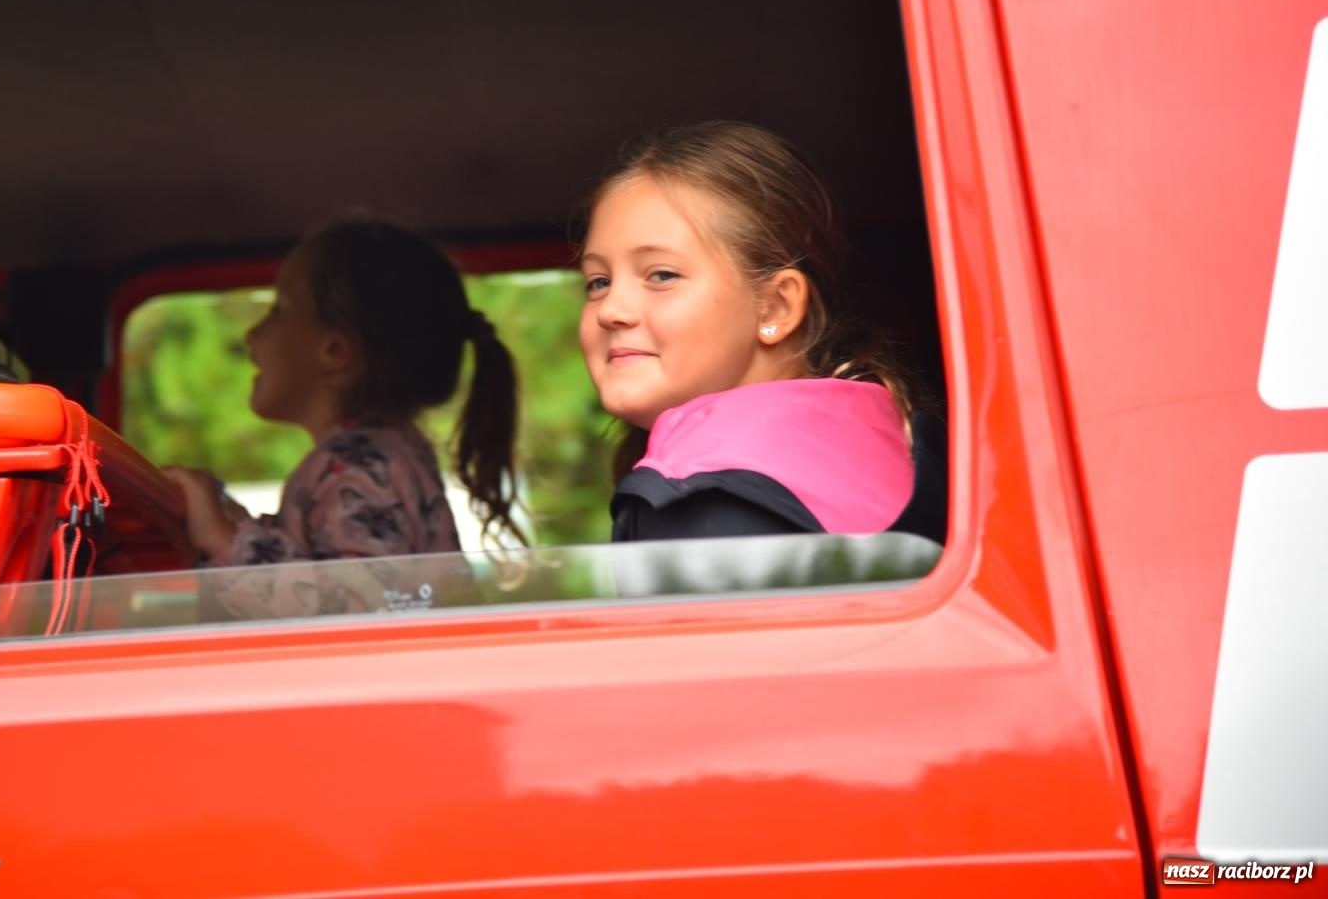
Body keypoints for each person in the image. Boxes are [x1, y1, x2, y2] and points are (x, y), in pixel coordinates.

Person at [577, 121, 944, 543]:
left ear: (776, 306)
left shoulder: (712, 496)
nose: (611, 310)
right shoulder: (892, 442)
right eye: (598, 282)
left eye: (661, 275)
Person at [165, 217, 521, 617]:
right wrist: (239, 523)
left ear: (335, 351)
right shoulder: (382, 456)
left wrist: (225, 538)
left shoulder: (359, 468)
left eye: (278, 310)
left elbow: (357, 615)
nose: (252, 334)